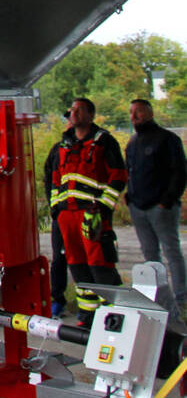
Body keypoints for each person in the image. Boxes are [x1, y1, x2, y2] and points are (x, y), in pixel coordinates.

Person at [48, 97, 126, 329]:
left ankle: (116, 314)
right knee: (77, 265)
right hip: (66, 216)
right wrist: (56, 209)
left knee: (100, 264)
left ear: (91, 115)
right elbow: (54, 180)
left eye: (80, 110)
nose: (74, 113)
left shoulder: (104, 142)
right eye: (72, 110)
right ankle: (87, 315)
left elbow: (119, 176)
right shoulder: (63, 146)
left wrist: (103, 207)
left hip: (92, 215)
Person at [125, 98, 187, 315]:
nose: (134, 117)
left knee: (171, 252)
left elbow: (179, 172)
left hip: (160, 208)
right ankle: (160, 301)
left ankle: (181, 299)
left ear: (149, 113)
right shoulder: (132, 142)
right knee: (150, 255)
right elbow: (130, 172)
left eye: (138, 112)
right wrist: (130, 198)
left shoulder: (167, 139)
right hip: (138, 208)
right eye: (132, 112)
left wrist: (166, 201)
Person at [43, 114, 70, 319]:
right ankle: (57, 300)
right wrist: (55, 208)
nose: (70, 122)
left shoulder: (99, 145)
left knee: (91, 260)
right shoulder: (59, 149)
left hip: (89, 214)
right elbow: (49, 178)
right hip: (62, 215)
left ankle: (98, 306)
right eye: (69, 118)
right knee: (59, 258)